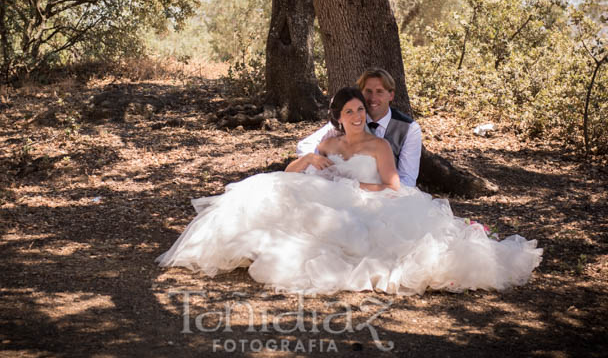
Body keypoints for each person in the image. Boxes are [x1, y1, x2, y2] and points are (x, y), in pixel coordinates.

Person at [157, 87, 542, 295]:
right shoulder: (330, 143)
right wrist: (309, 161)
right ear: (338, 119)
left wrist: (356, 185)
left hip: (367, 199)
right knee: (264, 189)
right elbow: (291, 171)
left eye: (361, 110)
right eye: (350, 113)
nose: (358, 116)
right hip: (327, 196)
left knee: (353, 235)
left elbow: (394, 185)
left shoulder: (379, 146)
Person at [296, 69, 423, 187]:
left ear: (391, 95)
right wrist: (315, 161)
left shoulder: (409, 129)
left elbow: (407, 180)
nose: (373, 98)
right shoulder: (350, 119)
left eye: (379, 91)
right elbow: (306, 145)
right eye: (368, 91)